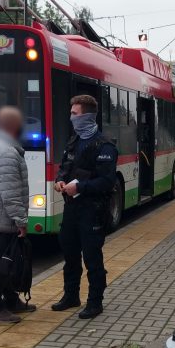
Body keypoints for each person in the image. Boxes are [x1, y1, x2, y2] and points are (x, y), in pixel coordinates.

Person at [52, 95, 117, 320]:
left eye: (75, 113)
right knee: (69, 252)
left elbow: (107, 182)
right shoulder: (74, 141)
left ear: (88, 115)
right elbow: (64, 167)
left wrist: (80, 185)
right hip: (72, 208)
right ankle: (71, 295)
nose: (71, 118)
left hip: (93, 210)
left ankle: (95, 301)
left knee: (91, 256)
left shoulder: (105, 145)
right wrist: (60, 181)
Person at [0, 106, 36, 323]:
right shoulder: (7, 153)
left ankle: (11, 300)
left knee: (8, 261)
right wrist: (21, 220)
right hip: (5, 219)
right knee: (1, 263)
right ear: (14, 127)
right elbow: (10, 194)